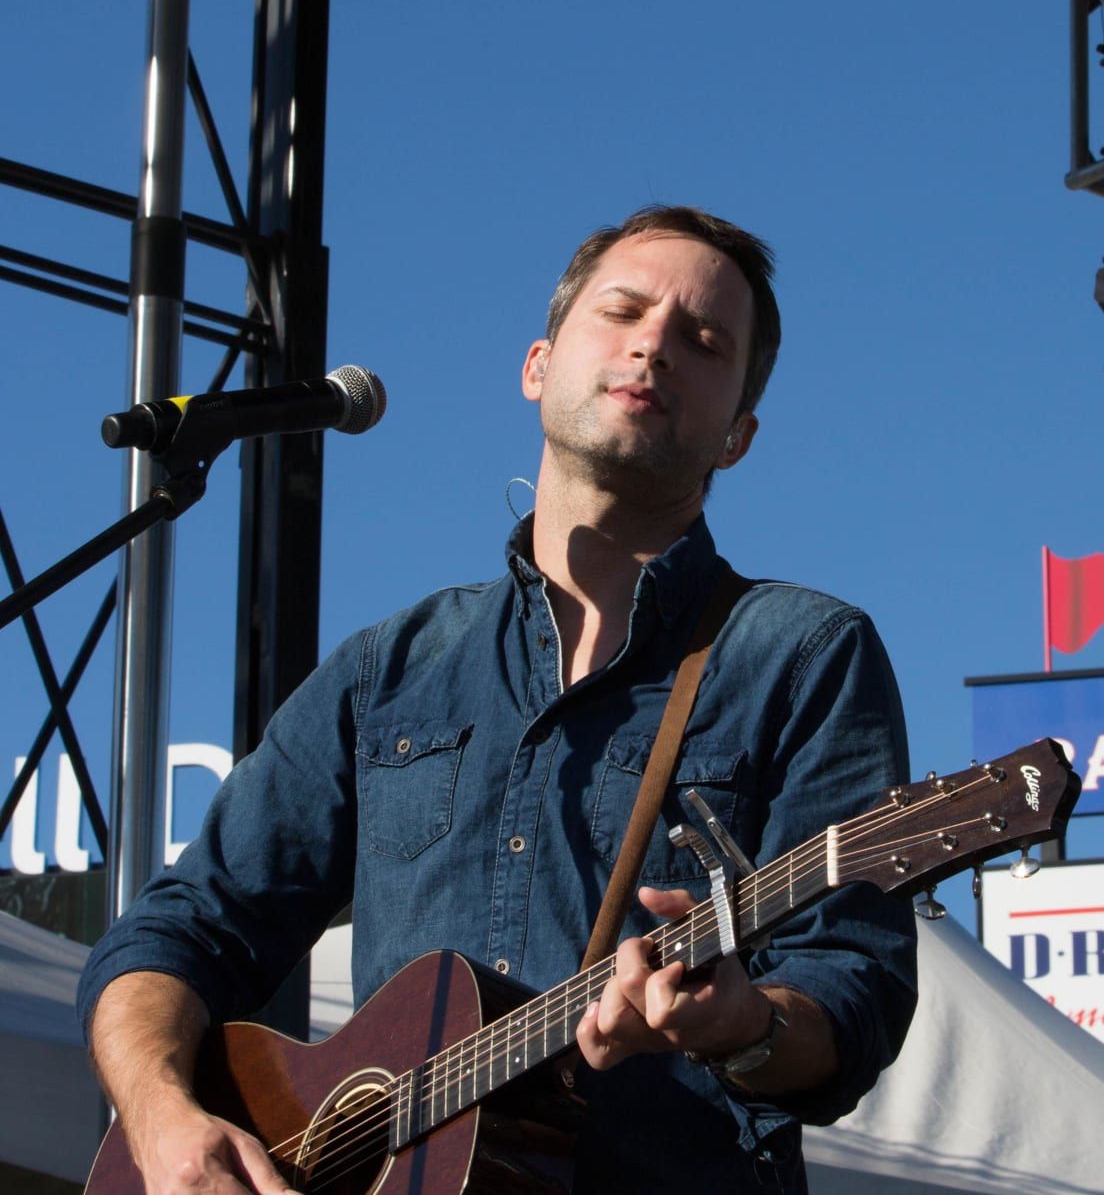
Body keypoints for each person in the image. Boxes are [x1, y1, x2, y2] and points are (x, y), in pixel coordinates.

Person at [78, 206, 918, 1194]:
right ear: (536, 366)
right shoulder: (386, 670)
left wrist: (748, 1023)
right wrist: (161, 1115)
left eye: (703, 340)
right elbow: (184, 927)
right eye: (624, 310)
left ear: (737, 433)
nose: (654, 344)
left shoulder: (804, 654)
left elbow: (851, 992)